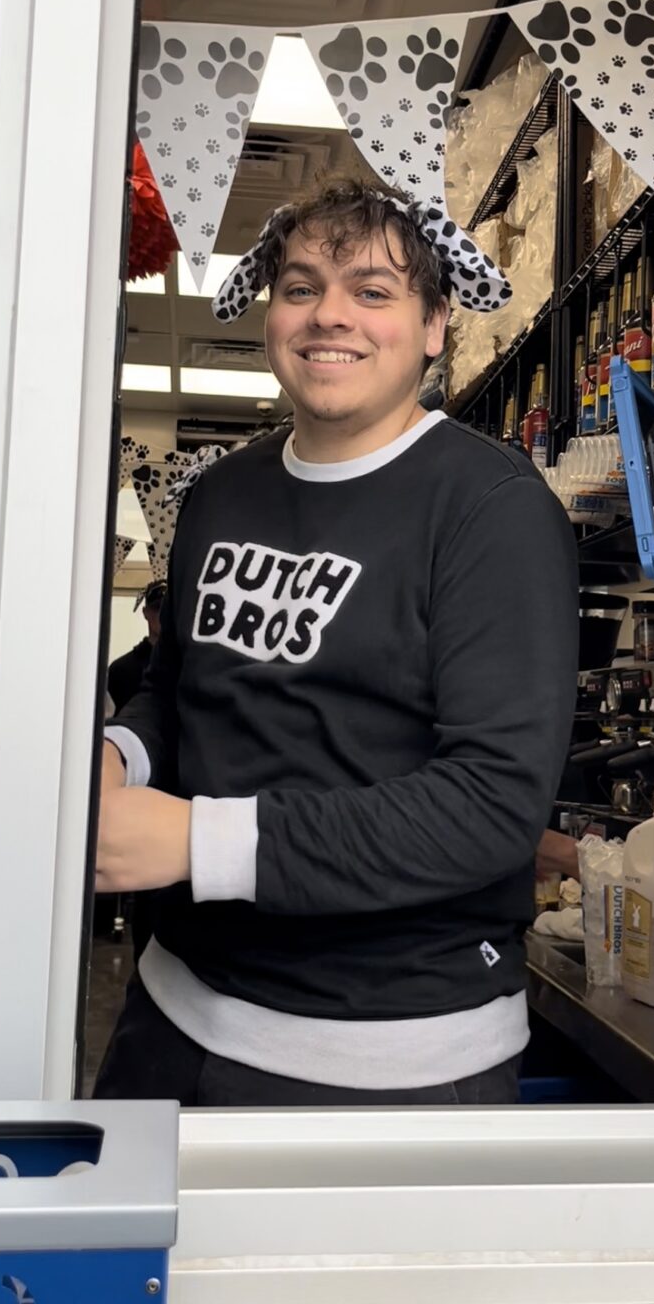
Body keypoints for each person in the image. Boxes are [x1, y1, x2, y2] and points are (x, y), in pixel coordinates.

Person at [95, 179, 579, 1107]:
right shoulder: (219, 497)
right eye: (302, 286)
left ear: (435, 325)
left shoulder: (491, 511)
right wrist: (119, 758)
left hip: (390, 1063)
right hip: (169, 1013)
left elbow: (489, 807)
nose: (329, 318)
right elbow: (179, 689)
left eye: (372, 291)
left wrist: (199, 839)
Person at [107, 581, 166, 714]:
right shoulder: (121, 670)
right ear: (146, 613)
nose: (163, 614)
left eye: (168, 608)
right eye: (157, 608)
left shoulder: (185, 665)